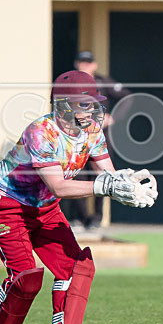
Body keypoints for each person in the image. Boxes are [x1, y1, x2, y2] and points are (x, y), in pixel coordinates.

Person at [0, 70, 158, 324]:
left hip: (44, 206)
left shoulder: (92, 132)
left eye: (94, 104)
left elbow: (108, 174)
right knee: (25, 276)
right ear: (63, 104)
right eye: (85, 104)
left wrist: (129, 184)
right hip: (7, 203)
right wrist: (105, 186)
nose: (93, 111)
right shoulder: (41, 131)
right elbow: (58, 185)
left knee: (78, 267)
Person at [62, 51, 133, 230]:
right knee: (77, 174)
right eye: (81, 62)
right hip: (76, 135)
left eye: (88, 62)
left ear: (94, 65)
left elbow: (127, 97)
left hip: (99, 136)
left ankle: (96, 219)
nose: (85, 66)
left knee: (103, 174)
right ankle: (80, 218)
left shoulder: (103, 81)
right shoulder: (69, 81)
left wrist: (113, 117)